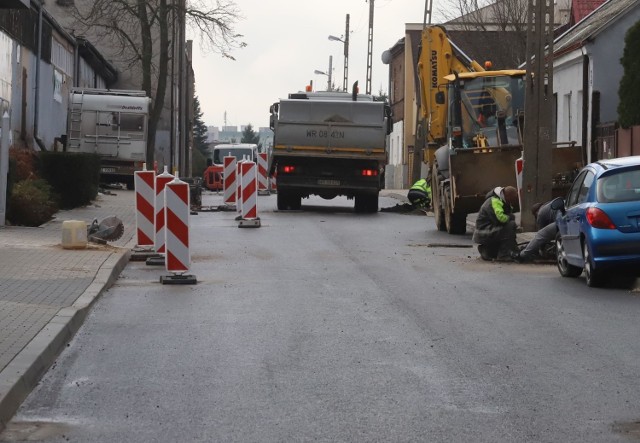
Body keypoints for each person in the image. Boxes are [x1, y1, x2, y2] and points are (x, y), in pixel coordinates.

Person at [473, 186, 519, 261]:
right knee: (510, 226)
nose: (513, 201)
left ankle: (487, 251)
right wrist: (510, 217)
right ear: (507, 195)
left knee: (509, 227)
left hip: (488, 231)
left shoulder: (501, 200)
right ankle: (504, 255)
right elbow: (500, 219)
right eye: (513, 198)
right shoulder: (495, 201)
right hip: (484, 232)